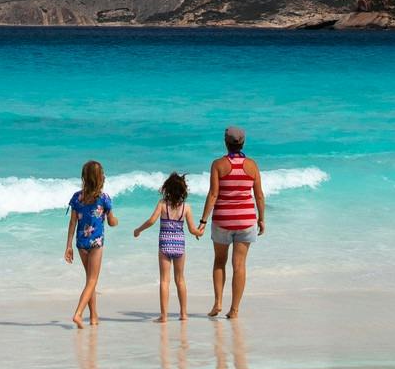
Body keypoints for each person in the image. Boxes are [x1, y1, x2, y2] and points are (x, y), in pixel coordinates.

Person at [201, 126, 266, 320]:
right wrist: (261, 218)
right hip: (246, 220)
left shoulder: (218, 164)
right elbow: (259, 196)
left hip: (222, 220)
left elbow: (213, 194)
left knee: (219, 261)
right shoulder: (252, 165)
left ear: (225, 143)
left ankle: (218, 302)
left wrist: (203, 220)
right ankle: (235, 310)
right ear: (243, 143)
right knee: (239, 265)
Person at [130, 171, 207, 322]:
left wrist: (138, 230)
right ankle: (183, 314)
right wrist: (200, 231)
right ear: (183, 191)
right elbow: (192, 230)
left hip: (164, 244)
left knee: (165, 280)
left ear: (167, 189)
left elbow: (152, 221)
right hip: (179, 245)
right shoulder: (186, 207)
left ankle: (164, 316)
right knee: (180, 279)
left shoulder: (162, 204)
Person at [64, 159, 115, 328]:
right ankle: (78, 314)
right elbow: (112, 222)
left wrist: (68, 246)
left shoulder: (77, 198)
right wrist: (114, 219)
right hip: (96, 243)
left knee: (89, 280)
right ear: (100, 178)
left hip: (81, 243)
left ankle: (93, 316)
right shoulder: (104, 198)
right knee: (92, 280)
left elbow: (72, 223)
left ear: (84, 177)